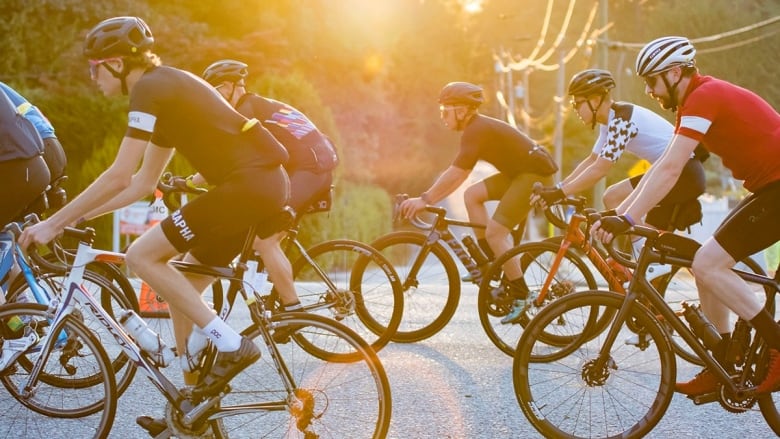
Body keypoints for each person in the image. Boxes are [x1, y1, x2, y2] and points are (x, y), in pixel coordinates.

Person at [17, 16, 291, 436]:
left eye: (94, 67)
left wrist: (55, 223)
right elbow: (141, 183)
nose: (92, 78)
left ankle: (232, 345)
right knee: (180, 285)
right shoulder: (165, 95)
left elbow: (118, 174)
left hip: (249, 186)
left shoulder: (150, 88)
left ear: (117, 64)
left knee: (140, 255)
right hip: (258, 185)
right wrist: (79, 217)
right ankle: (189, 410)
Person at [591, 36, 780, 396]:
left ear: (675, 73)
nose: (649, 91)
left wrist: (628, 219)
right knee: (702, 263)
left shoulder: (703, 97)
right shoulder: (697, 101)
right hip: (769, 187)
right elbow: (665, 163)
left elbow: (672, 168)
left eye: (652, 81)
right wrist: (623, 213)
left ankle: (777, 344)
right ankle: (724, 359)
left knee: (708, 264)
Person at [399, 81, 558, 324]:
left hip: (535, 175)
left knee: (496, 234)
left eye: (446, 111)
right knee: (471, 195)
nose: (442, 117)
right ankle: (488, 263)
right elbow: (459, 177)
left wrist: (424, 200)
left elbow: (457, 173)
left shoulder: (477, 130)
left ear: (462, 110)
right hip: (519, 173)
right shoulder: (475, 128)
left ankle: (521, 295)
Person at [532, 68, 706, 277]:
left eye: (577, 103)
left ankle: (649, 269)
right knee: (613, 198)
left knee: (615, 198)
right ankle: (641, 267)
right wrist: (560, 189)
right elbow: (593, 160)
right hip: (673, 173)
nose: (575, 109)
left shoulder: (622, 120)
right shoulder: (612, 120)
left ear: (595, 101)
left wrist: (560, 193)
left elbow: (600, 169)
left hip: (683, 174)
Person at [200, 59, 337, 321]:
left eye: (215, 91)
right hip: (306, 167)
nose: (213, 99)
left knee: (265, 240)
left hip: (312, 169)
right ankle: (266, 295)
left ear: (229, 87)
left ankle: (291, 309)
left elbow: (227, 161)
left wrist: (191, 181)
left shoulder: (245, 111)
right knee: (257, 228)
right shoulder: (254, 105)